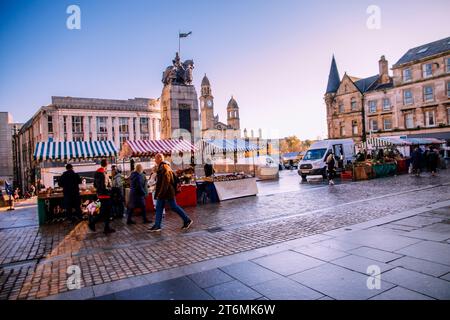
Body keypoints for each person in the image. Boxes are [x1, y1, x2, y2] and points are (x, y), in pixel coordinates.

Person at [149, 153, 193, 232]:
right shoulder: (163, 167)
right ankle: (157, 225)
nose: (154, 160)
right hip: (166, 192)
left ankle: (187, 220)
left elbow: (166, 182)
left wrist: (160, 193)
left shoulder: (164, 167)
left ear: (159, 159)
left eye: (155, 158)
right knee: (160, 208)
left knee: (173, 207)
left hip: (167, 192)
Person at [91, 159, 115, 234]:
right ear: (106, 164)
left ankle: (106, 228)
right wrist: (109, 190)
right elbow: (104, 185)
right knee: (105, 212)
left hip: (100, 194)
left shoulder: (97, 172)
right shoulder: (103, 173)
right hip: (105, 195)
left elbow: (95, 185)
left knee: (105, 212)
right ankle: (92, 222)